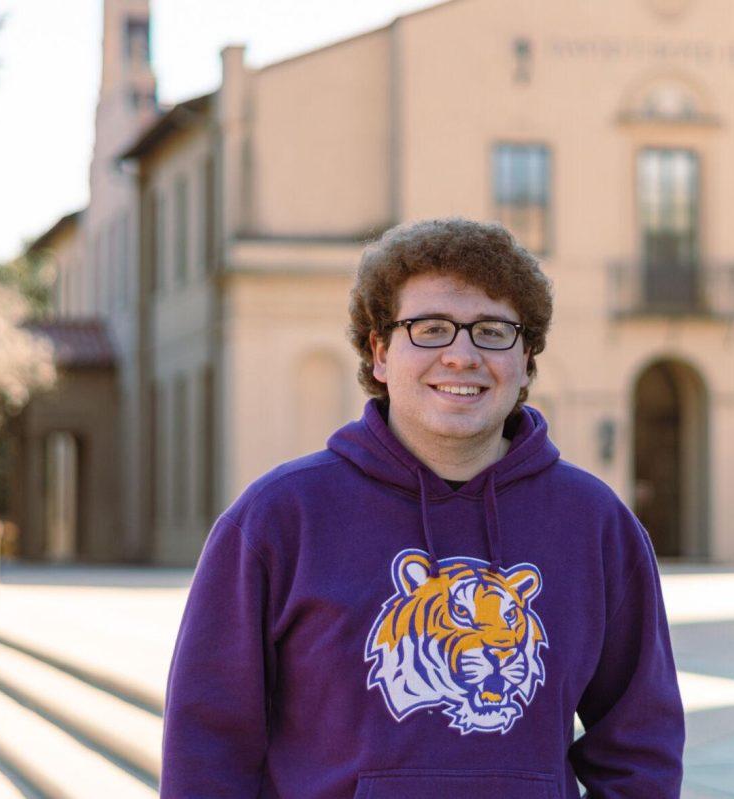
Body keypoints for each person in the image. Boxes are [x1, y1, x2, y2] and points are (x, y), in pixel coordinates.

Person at [161, 218, 684, 798]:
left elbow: (641, 745)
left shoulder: (596, 525)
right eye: (431, 329)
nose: (462, 356)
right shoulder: (279, 518)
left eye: (492, 331)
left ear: (526, 359)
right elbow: (207, 748)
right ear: (380, 353)